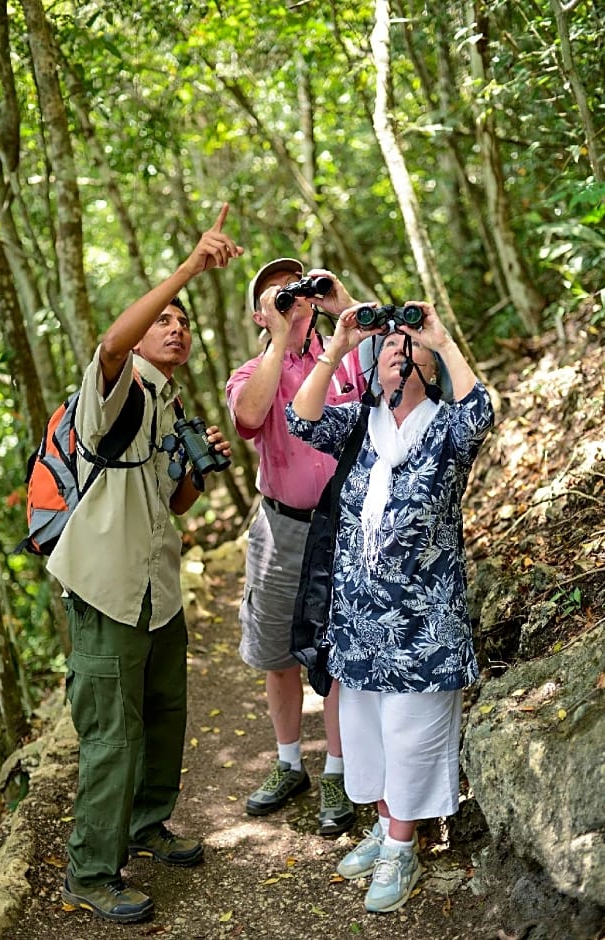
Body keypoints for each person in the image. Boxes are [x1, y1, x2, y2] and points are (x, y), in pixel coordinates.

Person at [47, 205, 243, 924]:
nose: (177, 327)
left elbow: (176, 504)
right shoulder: (111, 389)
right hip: (104, 589)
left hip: (157, 587)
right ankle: (90, 872)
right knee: (111, 734)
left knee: (163, 715)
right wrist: (191, 265)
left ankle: (146, 824)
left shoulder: (167, 401)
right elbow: (108, 341)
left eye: (185, 322)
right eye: (167, 319)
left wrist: (200, 468)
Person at [286, 300, 494, 913]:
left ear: (431, 370)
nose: (398, 355)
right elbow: (301, 420)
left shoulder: (446, 431)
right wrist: (340, 344)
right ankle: (386, 827)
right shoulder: (357, 426)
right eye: (391, 350)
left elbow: (481, 413)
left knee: (410, 738)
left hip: (425, 625)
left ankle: (402, 851)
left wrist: (440, 338)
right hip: (357, 623)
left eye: (411, 352)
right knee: (370, 737)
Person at [225, 258, 366, 835]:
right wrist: (279, 341)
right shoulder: (252, 370)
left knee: (335, 649)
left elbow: (399, 357)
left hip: (345, 523)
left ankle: (335, 768)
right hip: (281, 526)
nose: (291, 300)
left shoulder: (345, 354)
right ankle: (289, 763)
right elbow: (251, 415)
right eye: (275, 298)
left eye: (297, 291)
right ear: (260, 315)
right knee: (278, 648)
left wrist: (340, 301)